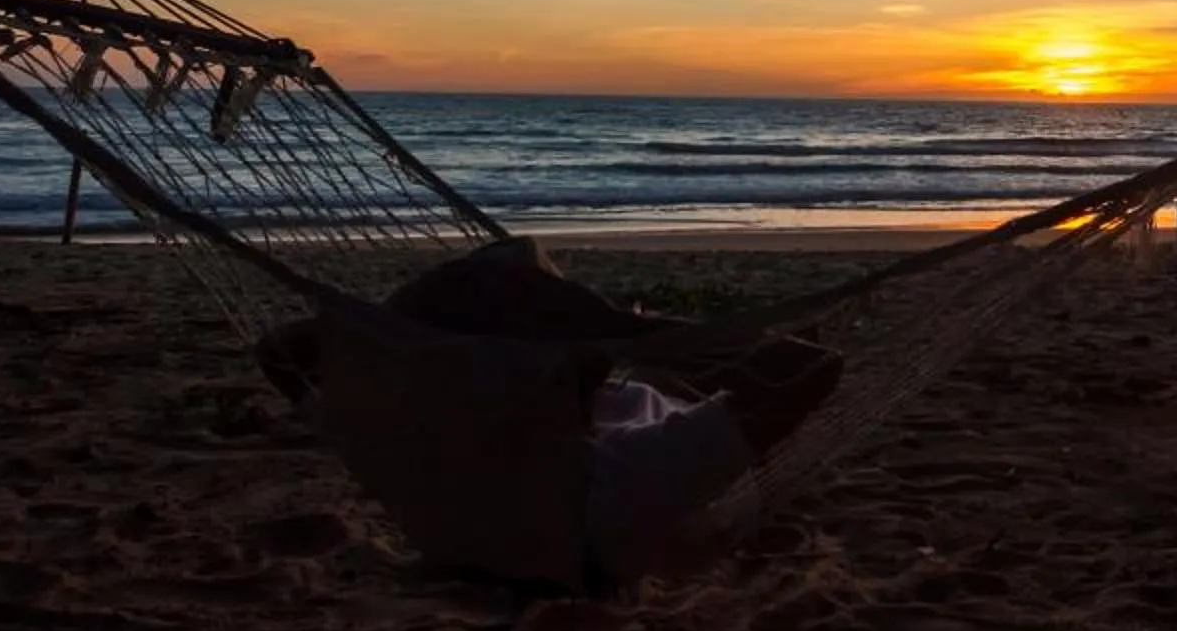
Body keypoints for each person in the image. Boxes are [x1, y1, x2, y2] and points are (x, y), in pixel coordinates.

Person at [253, 235, 843, 592]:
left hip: (543, 407)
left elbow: (280, 352)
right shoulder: (618, 484)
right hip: (686, 507)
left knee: (657, 385)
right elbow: (810, 370)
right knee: (782, 346)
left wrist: (409, 335)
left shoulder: (398, 436)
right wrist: (629, 332)